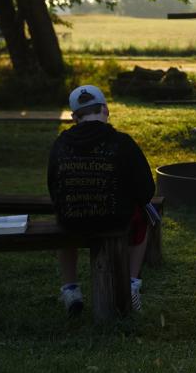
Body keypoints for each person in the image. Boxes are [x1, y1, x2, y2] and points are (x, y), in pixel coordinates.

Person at [47, 84, 155, 316]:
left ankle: (71, 289)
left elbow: (53, 189)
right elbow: (146, 191)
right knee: (144, 216)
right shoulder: (123, 143)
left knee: (62, 218)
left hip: (72, 221)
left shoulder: (61, 144)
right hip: (114, 220)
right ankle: (131, 285)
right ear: (106, 110)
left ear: (75, 117)